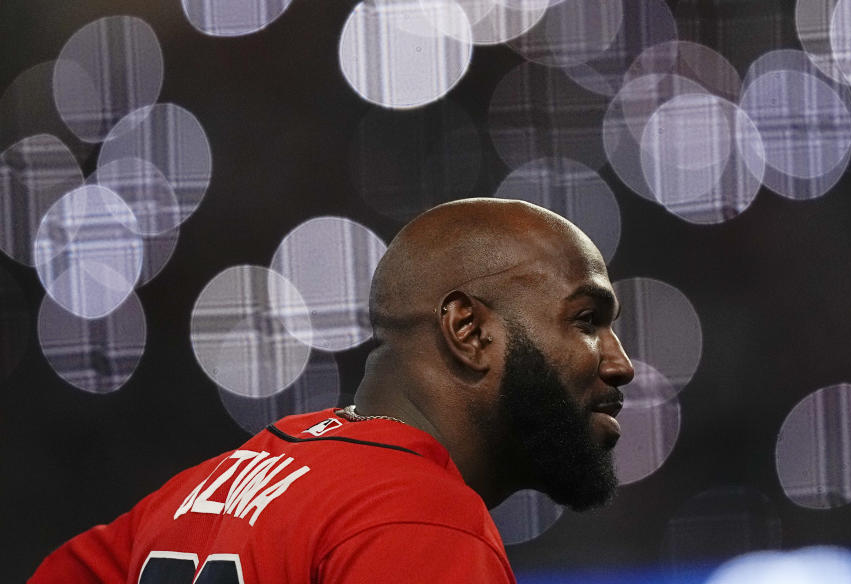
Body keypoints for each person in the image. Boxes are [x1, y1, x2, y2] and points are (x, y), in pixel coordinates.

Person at [30, 198, 635, 583]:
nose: (621, 363)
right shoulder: (420, 521)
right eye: (586, 321)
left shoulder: (208, 485)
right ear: (469, 331)